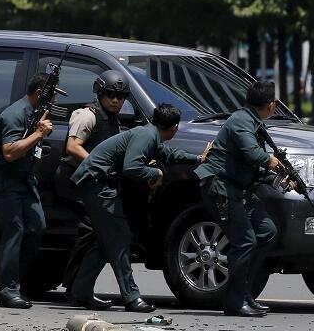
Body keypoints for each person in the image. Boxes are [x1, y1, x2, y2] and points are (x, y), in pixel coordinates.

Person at [69, 104, 208, 312]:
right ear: (174, 127)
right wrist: (156, 175)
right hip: (96, 184)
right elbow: (132, 167)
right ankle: (131, 297)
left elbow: (169, 154)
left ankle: (80, 292)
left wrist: (198, 158)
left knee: (104, 241)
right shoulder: (146, 136)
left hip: (97, 184)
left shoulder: (150, 134)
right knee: (120, 237)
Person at [194, 81, 294, 317]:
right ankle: (234, 300)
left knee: (267, 232)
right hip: (221, 188)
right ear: (271, 105)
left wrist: (281, 181)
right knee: (245, 242)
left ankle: (244, 292)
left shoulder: (253, 122)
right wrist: (273, 162)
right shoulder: (241, 121)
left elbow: (253, 168)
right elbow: (253, 154)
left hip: (239, 189)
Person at [0, 72, 58, 308]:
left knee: (37, 225)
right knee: (15, 229)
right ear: (40, 94)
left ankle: (9, 277)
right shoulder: (15, 114)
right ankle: (9, 290)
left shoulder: (35, 113)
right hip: (2, 180)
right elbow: (10, 152)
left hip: (23, 180)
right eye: (51, 96)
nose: (54, 102)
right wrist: (38, 134)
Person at [58, 70, 130, 298]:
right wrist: (100, 164)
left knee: (95, 232)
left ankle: (78, 286)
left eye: (121, 96)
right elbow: (73, 146)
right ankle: (74, 285)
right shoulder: (87, 115)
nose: (116, 100)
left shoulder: (114, 119)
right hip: (75, 179)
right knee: (91, 230)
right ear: (100, 93)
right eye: (110, 94)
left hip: (93, 181)